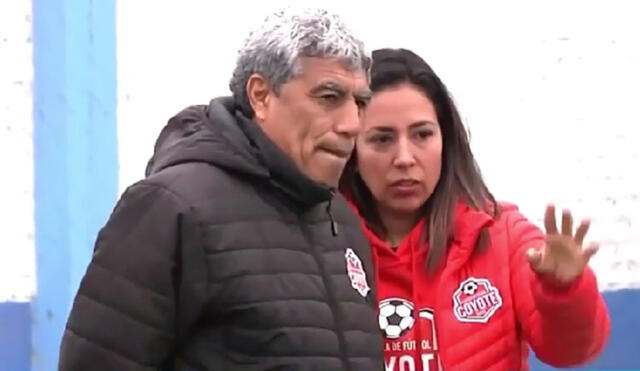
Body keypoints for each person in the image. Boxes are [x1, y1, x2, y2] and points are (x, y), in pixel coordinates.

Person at [58, 7, 385, 371]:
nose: (352, 124)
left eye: (360, 103)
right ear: (261, 95)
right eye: (329, 97)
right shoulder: (170, 208)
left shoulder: (340, 220)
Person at [339, 48, 610, 371]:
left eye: (422, 134)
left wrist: (564, 291)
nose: (405, 158)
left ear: (446, 140)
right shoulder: (325, 246)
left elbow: (571, 353)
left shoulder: (502, 234)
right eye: (382, 140)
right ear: (352, 150)